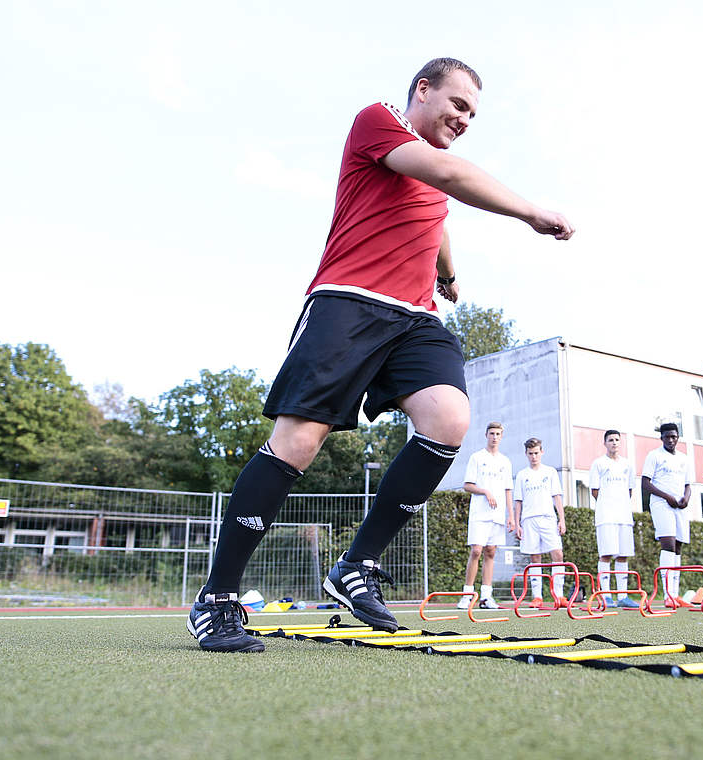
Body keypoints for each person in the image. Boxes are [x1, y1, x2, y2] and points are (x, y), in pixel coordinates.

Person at [188, 58, 574, 652]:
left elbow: (437, 205)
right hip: (349, 303)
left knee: (449, 419)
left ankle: (354, 567)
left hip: (415, 316)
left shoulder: (428, 166)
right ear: (423, 91)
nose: (465, 118)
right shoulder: (379, 121)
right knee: (298, 442)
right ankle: (216, 598)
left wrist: (446, 271)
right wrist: (528, 211)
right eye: (457, 104)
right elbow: (446, 173)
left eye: (473, 113)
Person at [459, 421, 513, 609]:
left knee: (491, 552)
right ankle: (467, 595)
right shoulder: (476, 457)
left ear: (501, 436)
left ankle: (486, 597)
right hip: (479, 514)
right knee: (476, 551)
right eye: (492, 433)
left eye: (498, 434)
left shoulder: (505, 461)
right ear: (486, 435)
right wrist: (486, 492)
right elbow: (467, 485)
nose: (494, 437)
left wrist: (511, 516)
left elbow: (508, 490)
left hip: (497, 515)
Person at [641, 422, 693, 607]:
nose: (671, 440)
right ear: (661, 437)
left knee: (678, 546)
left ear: (678, 437)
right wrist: (667, 497)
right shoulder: (654, 456)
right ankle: (667, 595)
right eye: (667, 436)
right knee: (668, 545)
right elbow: (645, 484)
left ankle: (675, 594)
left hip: (680, 506)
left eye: (674, 436)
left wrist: (685, 498)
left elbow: (688, 484)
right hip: (662, 504)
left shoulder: (684, 458)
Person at [513, 438, 567, 607]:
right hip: (529, 520)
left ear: (541, 452)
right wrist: (517, 523)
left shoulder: (550, 472)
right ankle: (537, 597)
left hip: (548, 519)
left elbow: (557, 497)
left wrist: (562, 520)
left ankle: (559, 595)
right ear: (526, 454)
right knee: (535, 556)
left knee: (557, 554)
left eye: (536, 453)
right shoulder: (522, 475)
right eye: (530, 453)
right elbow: (518, 502)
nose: (534, 456)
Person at [589, 429, 639, 609]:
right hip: (606, 516)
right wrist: (607, 504)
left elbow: (630, 490)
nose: (614, 443)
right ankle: (606, 596)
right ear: (605, 443)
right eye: (610, 440)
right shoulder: (598, 464)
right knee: (606, 554)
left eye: (617, 439)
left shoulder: (627, 465)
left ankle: (623, 596)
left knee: (623, 554)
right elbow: (594, 491)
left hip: (624, 516)